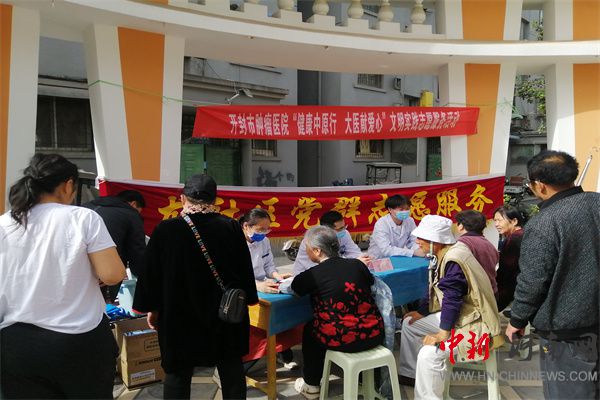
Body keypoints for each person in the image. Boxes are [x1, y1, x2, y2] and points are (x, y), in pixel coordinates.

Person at [0, 153, 126, 399]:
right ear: (68, 185)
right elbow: (112, 274)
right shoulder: (82, 218)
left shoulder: (4, 223)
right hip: (79, 341)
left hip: (15, 344)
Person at [133, 174, 258, 400]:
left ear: (183, 199)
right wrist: (249, 299)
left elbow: (151, 274)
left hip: (178, 316)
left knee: (177, 372)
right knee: (231, 368)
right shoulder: (230, 226)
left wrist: (152, 308)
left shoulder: (166, 229)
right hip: (225, 313)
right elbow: (244, 270)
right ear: (215, 200)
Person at [506, 150, 600, 400]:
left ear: (540, 185)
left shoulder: (544, 223)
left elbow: (533, 281)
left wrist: (517, 320)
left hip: (569, 334)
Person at [398, 215, 503, 399]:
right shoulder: (445, 253)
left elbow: (452, 299)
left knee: (429, 354)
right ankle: (410, 375)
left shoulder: (454, 259)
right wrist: (422, 312)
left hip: (476, 324)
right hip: (463, 317)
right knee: (410, 324)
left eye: (422, 238)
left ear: (435, 241)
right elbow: (434, 287)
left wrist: (442, 333)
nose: (417, 241)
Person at [291, 226, 384, 397]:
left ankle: (311, 385)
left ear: (317, 251)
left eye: (307, 247)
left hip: (342, 339)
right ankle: (370, 382)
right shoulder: (357, 265)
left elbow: (296, 288)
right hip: (374, 333)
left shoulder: (312, 275)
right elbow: (369, 282)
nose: (305, 251)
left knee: (311, 329)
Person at [239, 208, 297, 370]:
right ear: (246, 226)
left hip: (263, 283)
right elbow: (234, 274)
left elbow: (268, 265)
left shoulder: (264, 241)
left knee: (282, 310)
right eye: (260, 229)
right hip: (243, 288)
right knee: (261, 321)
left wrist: (277, 276)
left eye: (267, 229)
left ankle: (282, 352)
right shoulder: (233, 242)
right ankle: (246, 362)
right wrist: (256, 285)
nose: (264, 233)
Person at [82, 189, 146, 302]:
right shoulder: (131, 214)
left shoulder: (85, 207)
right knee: (102, 307)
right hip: (105, 274)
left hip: (75, 270)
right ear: (133, 204)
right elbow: (137, 254)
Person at [293, 210, 368, 275]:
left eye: (344, 227)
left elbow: (353, 251)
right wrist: (354, 263)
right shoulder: (311, 241)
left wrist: (363, 258)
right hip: (309, 275)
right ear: (327, 230)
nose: (343, 230)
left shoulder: (344, 234)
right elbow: (321, 268)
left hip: (334, 271)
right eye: (340, 229)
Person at [455, 209, 499, 296]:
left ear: (461, 226)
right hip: (491, 292)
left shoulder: (463, 244)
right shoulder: (489, 244)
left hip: (475, 296)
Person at [368, 194, 425, 259]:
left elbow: (414, 240)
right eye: (401, 209)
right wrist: (413, 252)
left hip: (399, 257)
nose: (405, 212)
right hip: (379, 258)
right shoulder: (381, 223)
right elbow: (386, 250)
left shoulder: (409, 220)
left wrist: (419, 250)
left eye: (407, 209)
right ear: (390, 209)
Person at [492, 205, 525, 313]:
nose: (496, 224)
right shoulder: (522, 234)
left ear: (514, 221)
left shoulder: (515, 238)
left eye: (500, 220)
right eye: (495, 220)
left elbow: (507, 270)